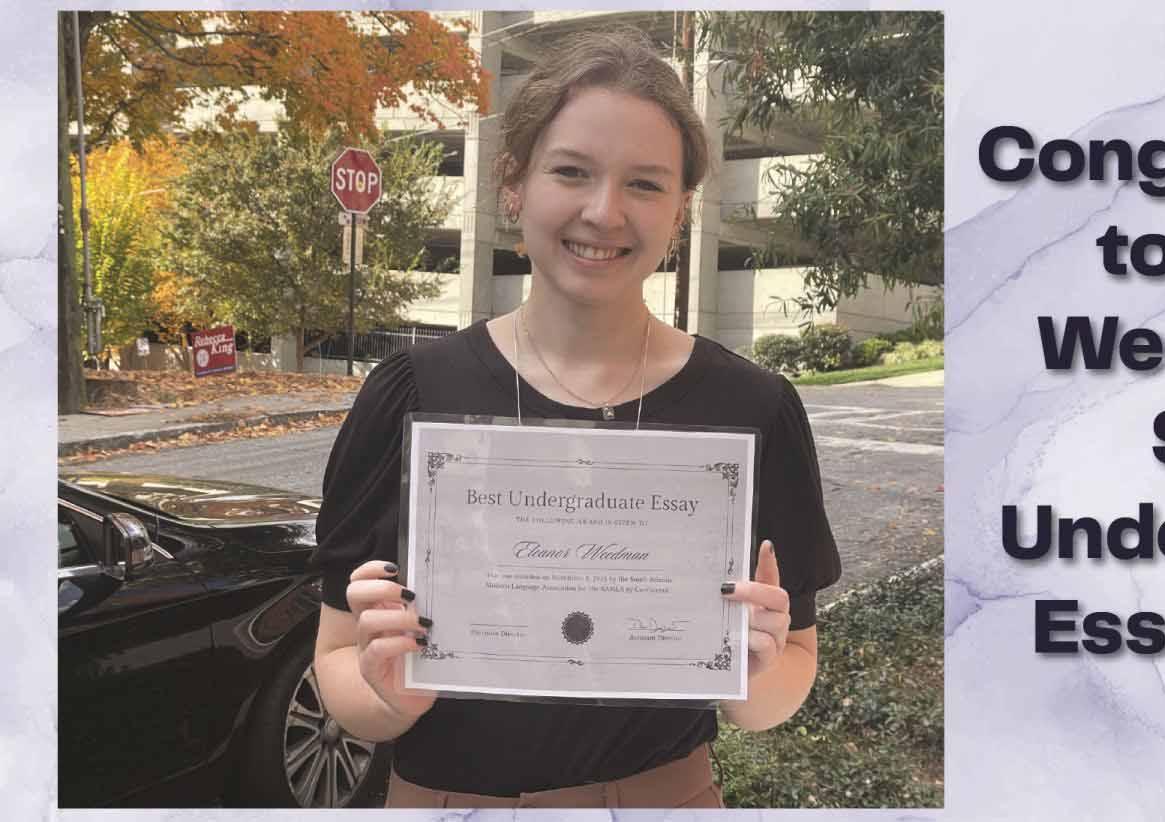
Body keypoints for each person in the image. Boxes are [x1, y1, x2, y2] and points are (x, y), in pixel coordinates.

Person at [310, 29, 841, 809]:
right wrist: (387, 693)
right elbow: (335, 659)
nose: (604, 212)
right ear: (514, 182)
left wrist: (754, 675)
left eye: (646, 184)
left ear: (681, 210)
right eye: (571, 171)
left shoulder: (753, 410)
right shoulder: (411, 396)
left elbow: (789, 668)